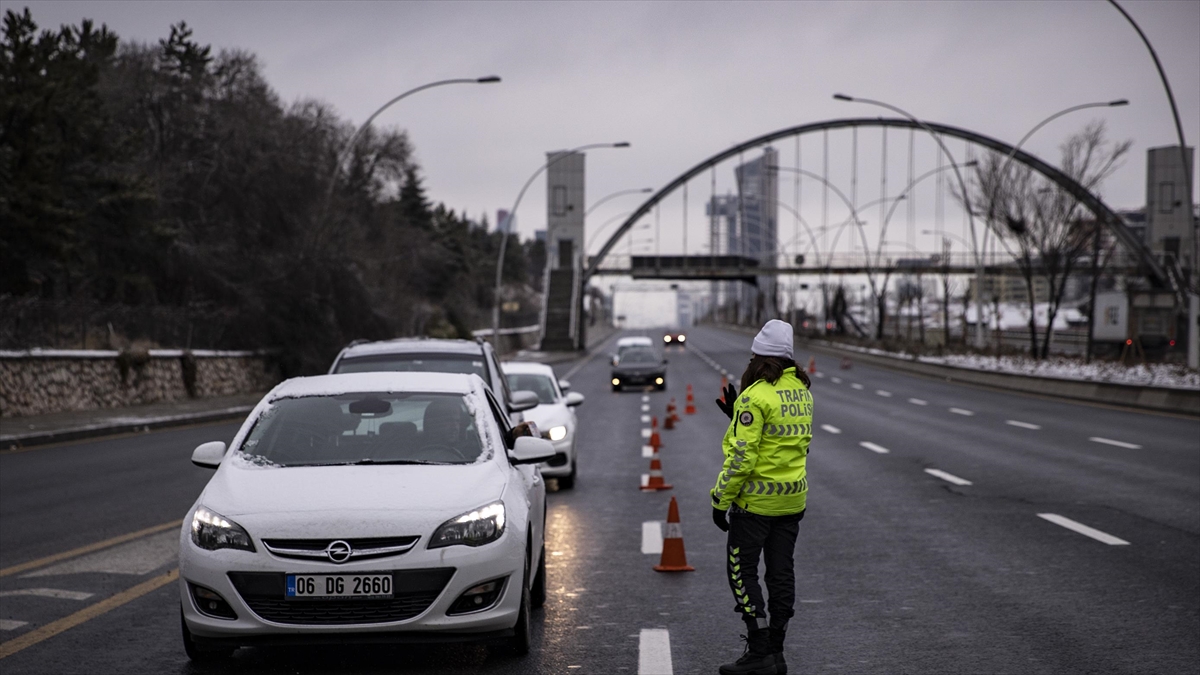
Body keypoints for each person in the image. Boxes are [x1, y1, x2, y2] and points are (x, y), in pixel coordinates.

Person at [711, 319, 813, 675]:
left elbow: (742, 458)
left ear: (759, 358)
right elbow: (784, 444)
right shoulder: (802, 391)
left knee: (742, 572)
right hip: (792, 501)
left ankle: (758, 651)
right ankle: (776, 652)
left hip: (754, 504)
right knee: (781, 574)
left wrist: (719, 500)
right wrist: (735, 418)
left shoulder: (755, 395)